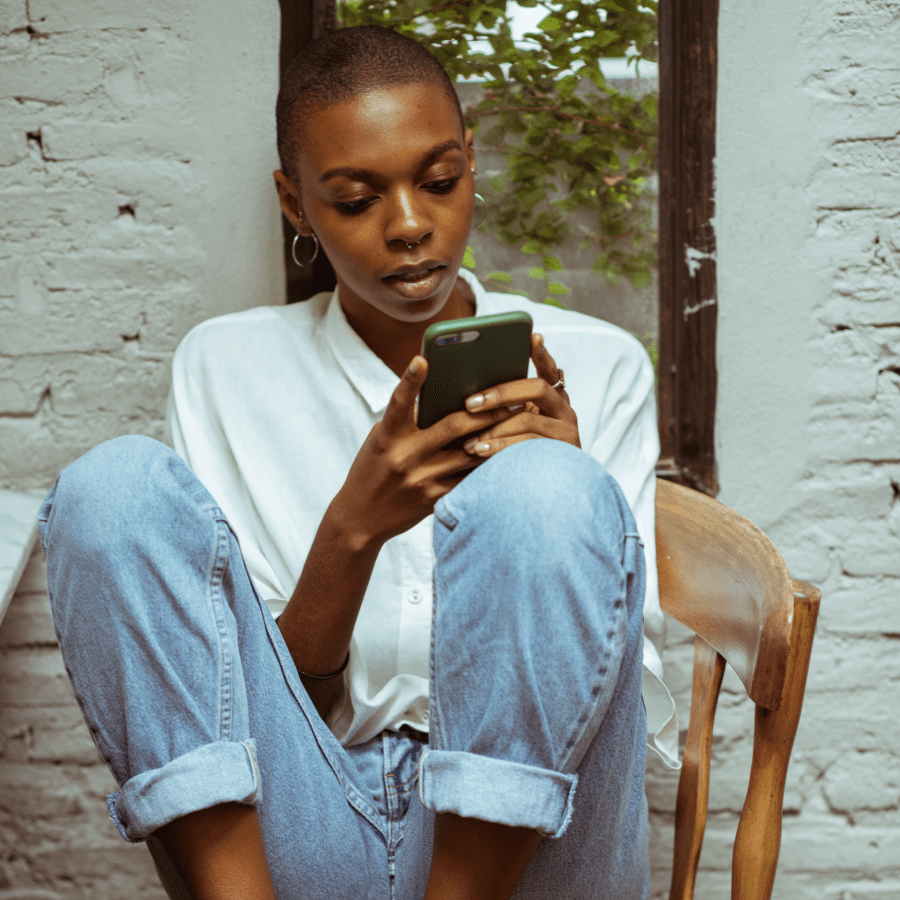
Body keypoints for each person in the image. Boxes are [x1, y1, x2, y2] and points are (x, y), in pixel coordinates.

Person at [38, 25, 677, 900]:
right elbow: (236, 705)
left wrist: (570, 521)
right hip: (300, 828)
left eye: (440, 180)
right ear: (296, 204)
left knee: (549, 491)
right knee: (107, 490)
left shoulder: (596, 365)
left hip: (528, 850)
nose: (411, 225)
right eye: (353, 198)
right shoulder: (225, 368)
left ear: (472, 162)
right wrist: (354, 529)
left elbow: (631, 714)